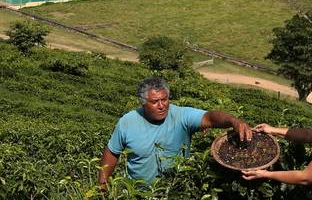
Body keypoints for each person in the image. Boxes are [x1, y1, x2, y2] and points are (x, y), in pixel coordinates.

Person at [98, 76, 252, 188]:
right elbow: (112, 152)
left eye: (164, 99)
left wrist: (233, 121)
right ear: (143, 103)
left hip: (174, 191)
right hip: (136, 194)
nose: (161, 105)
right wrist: (102, 185)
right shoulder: (127, 122)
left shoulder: (181, 116)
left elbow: (209, 117)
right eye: (154, 102)